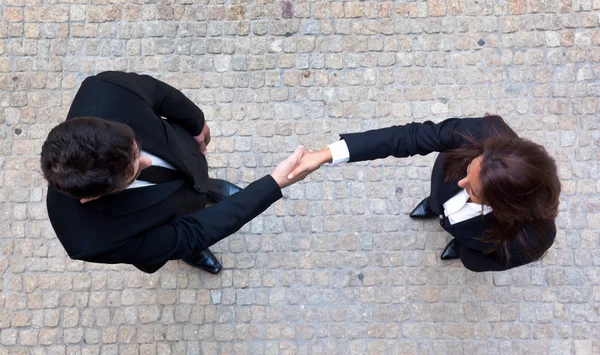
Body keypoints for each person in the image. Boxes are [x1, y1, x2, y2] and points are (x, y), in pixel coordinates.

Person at [41, 71, 310, 274]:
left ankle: (206, 187)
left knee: (197, 182)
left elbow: (159, 94)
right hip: (168, 227)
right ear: (92, 198)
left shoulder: (102, 90)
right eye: (134, 174)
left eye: (136, 148)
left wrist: (197, 123)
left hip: (186, 159)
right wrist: (274, 183)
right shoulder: (88, 239)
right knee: (186, 240)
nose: (148, 162)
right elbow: (190, 232)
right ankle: (191, 253)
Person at [288, 116, 561, 272]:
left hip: (473, 239)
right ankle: (434, 206)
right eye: (469, 170)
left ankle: (455, 235)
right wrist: (326, 155)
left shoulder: (535, 236)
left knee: (465, 247)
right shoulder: (481, 133)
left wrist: (470, 253)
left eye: (474, 191)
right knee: (437, 201)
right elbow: (409, 137)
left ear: (506, 208)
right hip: (439, 191)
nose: (461, 183)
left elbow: (490, 260)